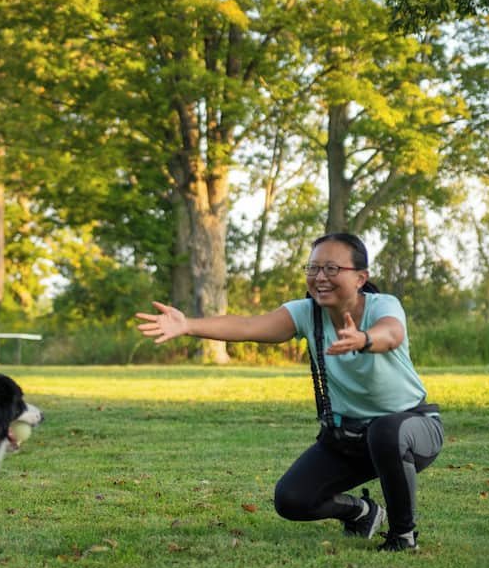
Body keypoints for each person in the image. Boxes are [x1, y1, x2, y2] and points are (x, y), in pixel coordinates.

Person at [134, 232, 443, 551]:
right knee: (292, 499)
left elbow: (390, 333)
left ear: (360, 278)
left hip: (412, 429)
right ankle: (363, 513)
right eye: (313, 269)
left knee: (386, 431)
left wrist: (363, 339)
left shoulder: (383, 305)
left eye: (332, 269)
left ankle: (403, 536)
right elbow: (247, 326)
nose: (320, 277)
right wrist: (188, 326)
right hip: (350, 439)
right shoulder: (306, 313)